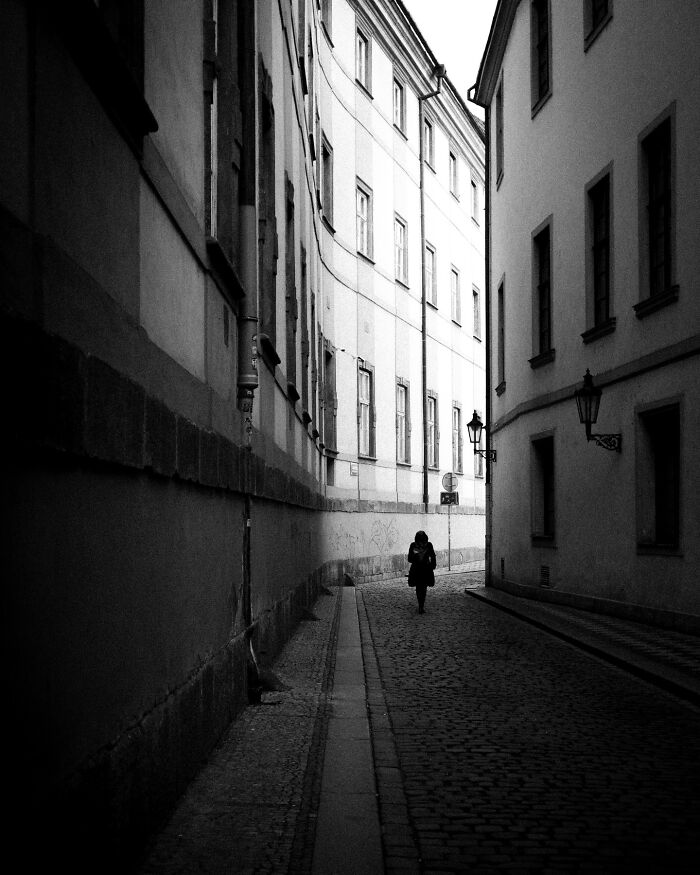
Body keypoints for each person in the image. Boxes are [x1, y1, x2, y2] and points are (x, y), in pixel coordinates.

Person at [407, 530, 436, 614]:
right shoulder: (414, 545)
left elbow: (432, 556)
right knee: (422, 588)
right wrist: (432, 565)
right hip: (420, 569)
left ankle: (421, 605)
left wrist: (432, 565)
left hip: (421, 569)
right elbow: (410, 558)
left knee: (420, 588)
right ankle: (421, 605)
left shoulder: (428, 545)